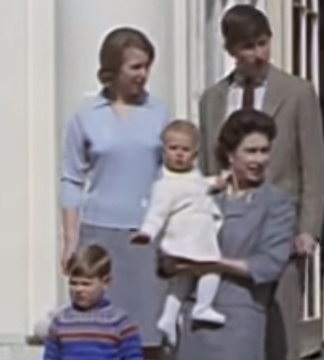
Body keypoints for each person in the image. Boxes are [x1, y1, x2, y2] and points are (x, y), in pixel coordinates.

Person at [198, 6, 324, 360]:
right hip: (229, 230)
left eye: (262, 43)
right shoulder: (213, 99)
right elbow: (209, 168)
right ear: (230, 51)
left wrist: (308, 231)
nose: (258, 54)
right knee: (232, 329)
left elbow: (314, 168)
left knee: (280, 334)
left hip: (280, 229)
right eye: (248, 47)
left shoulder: (297, 93)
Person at [59, 27, 169, 360]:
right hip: (100, 235)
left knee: (147, 333)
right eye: (135, 67)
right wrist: (70, 241)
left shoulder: (160, 113)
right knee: (99, 332)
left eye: (147, 66)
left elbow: (172, 175)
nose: (143, 74)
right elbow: (71, 180)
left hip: (147, 235)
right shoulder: (85, 116)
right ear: (113, 68)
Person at [175, 109, 296, 360]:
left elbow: (270, 263)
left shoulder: (276, 203)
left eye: (264, 151)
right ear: (230, 155)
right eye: (251, 151)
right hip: (193, 316)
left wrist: (216, 263)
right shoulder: (206, 194)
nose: (259, 159)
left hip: (241, 317)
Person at [131, 120, 226, 346]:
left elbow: (199, 185)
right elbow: (156, 214)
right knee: (213, 268)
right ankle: (203, 306)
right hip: (188, 239)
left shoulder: (192, 177)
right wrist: (146, 233)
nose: (179, 154)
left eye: (185, 150)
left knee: (181, 282)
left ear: (194, 153)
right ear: (163, 151)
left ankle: (168, 317)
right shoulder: (163, 185)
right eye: (173, 149)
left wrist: (215, 182)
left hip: (194, 237)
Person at [43, 245, 143, 360]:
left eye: (86, 284)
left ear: (106, 282)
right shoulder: (60, 321)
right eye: (73, 283)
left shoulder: (119, 322)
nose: (79, 289)